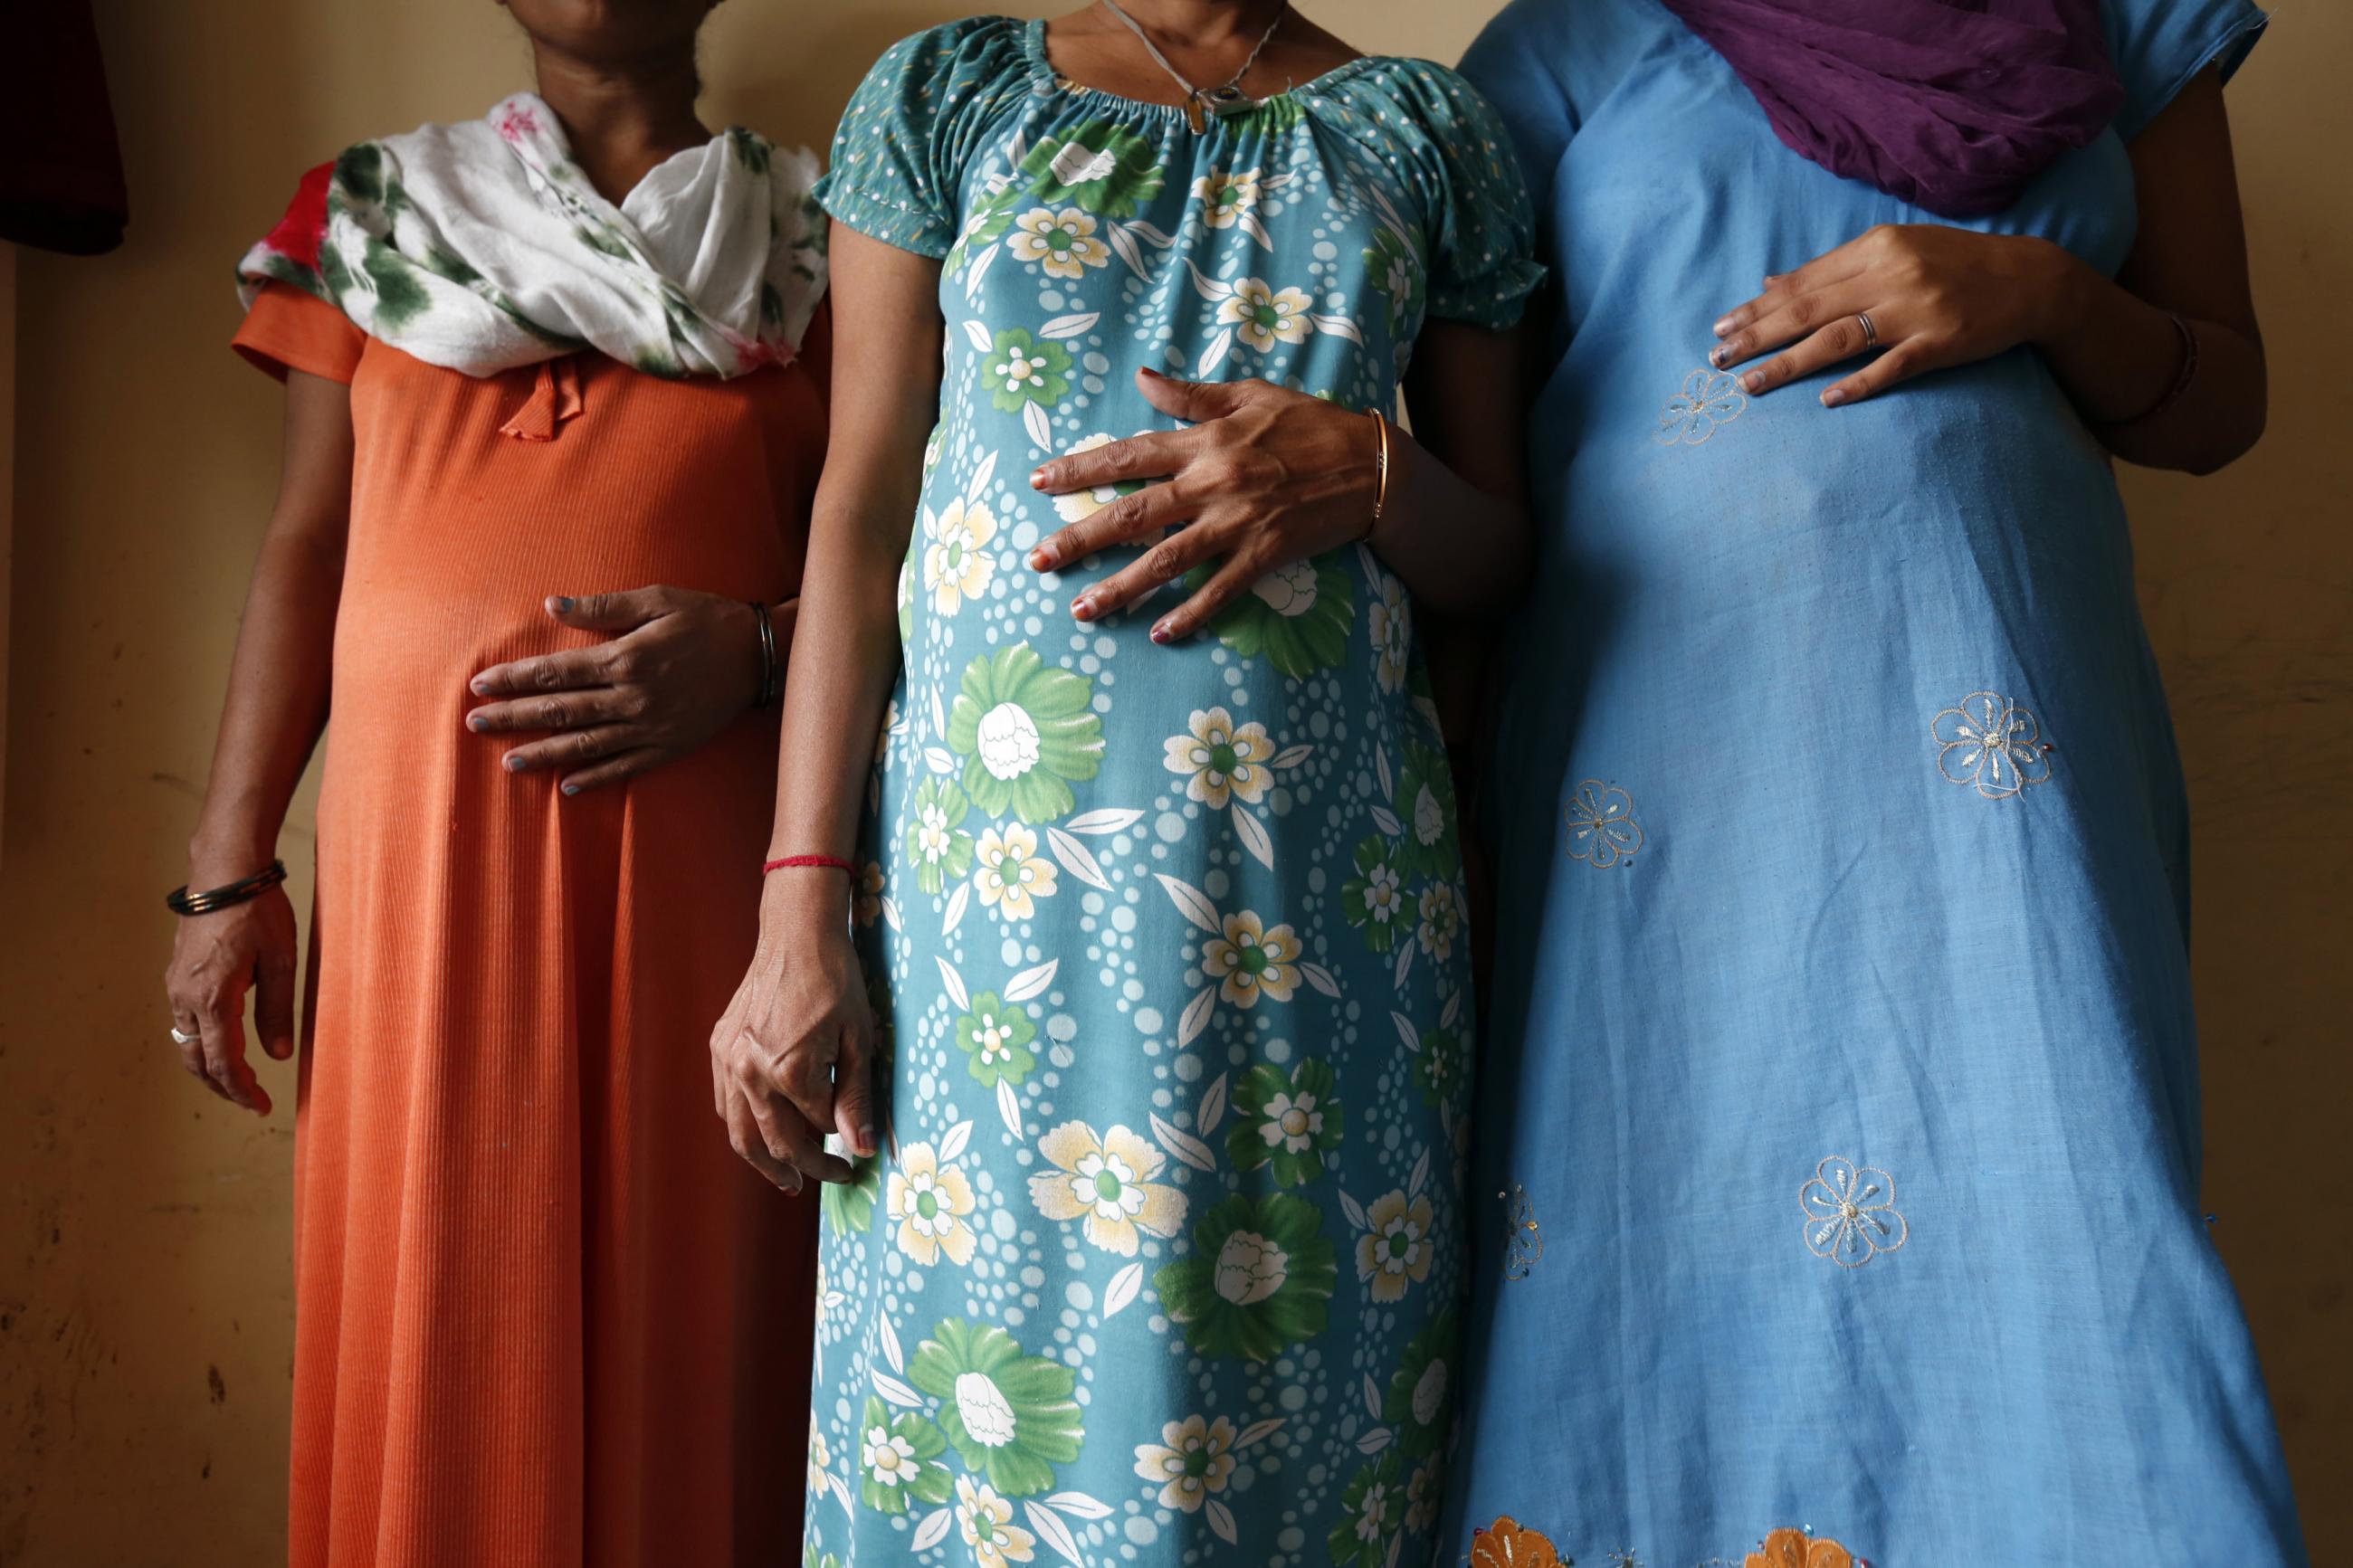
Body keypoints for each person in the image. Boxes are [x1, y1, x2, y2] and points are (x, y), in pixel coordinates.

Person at [1434, 0, 2310, 1564]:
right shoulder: (1563, 46)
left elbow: (2220, 404)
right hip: (1655, 781)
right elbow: (1472, 500)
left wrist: (2041, 292)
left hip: (2013, 755)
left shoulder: (2121, 20)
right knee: (1649, 1216)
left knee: (2059, 1190)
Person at [705, 3, 1538, 1563]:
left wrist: (1368, 464)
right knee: (993, 1425)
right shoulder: (956, 93)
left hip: (1318, 930)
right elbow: (859, 503)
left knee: (1281, 1432)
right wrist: (797, 908)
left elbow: (1502, 557)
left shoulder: (1425, 133)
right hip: (989, 933)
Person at [159, 1, 827, 1561]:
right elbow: (307, 542)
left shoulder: (825, 236)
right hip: (415, 881)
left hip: (714, 884)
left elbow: (908, 559)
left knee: (693, 1295)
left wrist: (756, 651)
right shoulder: (369, 212)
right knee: (433, 1293)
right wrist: (226, 868)